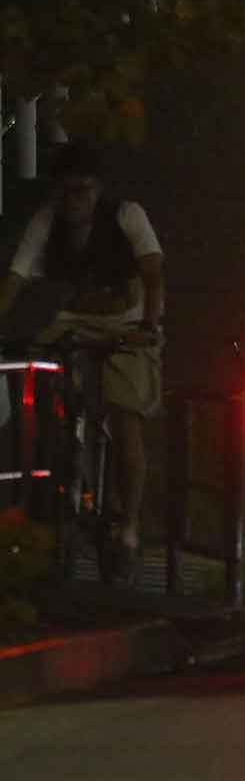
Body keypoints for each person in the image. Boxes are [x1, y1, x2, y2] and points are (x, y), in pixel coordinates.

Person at [0, 141, 164, 581]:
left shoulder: (127, 216)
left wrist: (148, 322)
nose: (75, 202)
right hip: (75, 320)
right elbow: (16, 276)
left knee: (126, 414)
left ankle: (128, 527)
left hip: (125, 322)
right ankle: (58, 476)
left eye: (84, 191)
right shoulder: (46, 222)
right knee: (44, 380)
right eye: (67, 192)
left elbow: (152, 272)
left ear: (98, 190)